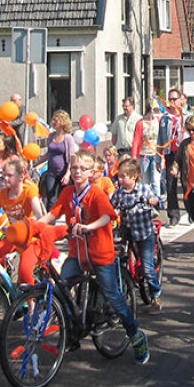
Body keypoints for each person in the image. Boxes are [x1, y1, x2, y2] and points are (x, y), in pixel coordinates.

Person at [38, 153, 149, 363]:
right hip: (78, 254)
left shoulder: (96, 194)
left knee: (113, 295)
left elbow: (108, 216)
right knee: (62, 287)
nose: (77, 171)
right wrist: (35, 227)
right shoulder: (68, 192)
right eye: (74, 168)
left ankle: (136, 336)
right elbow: (52, 214)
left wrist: (89, 226)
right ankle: (72, 331)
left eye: (82, 168)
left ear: (91, 173)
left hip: (99, 253)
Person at [111, 157, 162, 309]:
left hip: (144, 233)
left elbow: (157, 199)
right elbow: (110, 205)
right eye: (119, 176)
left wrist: (154, 200)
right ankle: (123, 287)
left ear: (134, 176)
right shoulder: (119, 193)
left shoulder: (143, 189)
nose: (120, 180)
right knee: (119, 260)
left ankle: (155, 296)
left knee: (147, 266)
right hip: (126, 232)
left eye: (123, 176)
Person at [160, 89, 189, 225]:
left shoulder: (187, 115)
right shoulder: (164, 117)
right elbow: (160, 137)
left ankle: (190, 210)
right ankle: (173, 214)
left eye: (174, 99)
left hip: (184, 153)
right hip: (170, 153)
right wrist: (159, 156)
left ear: (180, 100)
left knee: (185, 183)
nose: (172, 102)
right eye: (170, 99)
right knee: (170, 184)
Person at [39, 111, 76, 209]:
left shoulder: (67, 138)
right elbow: (48, 154)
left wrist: (68, 174)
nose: (53, 122)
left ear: (62, 122)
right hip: (51, 172)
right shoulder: (51, 136)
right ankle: (50, 221)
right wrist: (36, 163)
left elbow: (71, 157)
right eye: (53, 120)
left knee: (65, 197)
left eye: (56, 120)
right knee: (51, 197)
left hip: (63, 172)